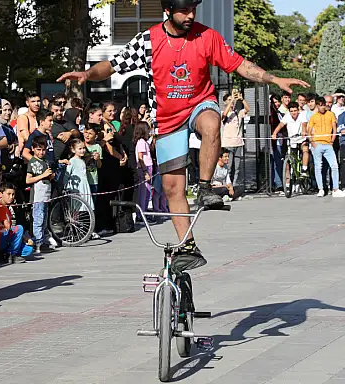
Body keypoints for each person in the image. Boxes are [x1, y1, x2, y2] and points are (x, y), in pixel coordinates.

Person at [58, 0, 308, 272]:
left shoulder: (206, 36)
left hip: (200, 104)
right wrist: (86, 73)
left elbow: (240, 66)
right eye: (184, 11)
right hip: (167, 118)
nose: (190, 16)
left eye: (193, 10)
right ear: (168, 10)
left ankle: (204, 187)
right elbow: (113, 65)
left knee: (212, 124)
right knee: (172, 188)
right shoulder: (149, 40)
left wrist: (273, 79)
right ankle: (187, 245)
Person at [308, 97, 345, 198]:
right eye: (320, 105)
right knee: (318, 167)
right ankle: (320, 189)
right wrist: (313, 143)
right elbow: (309, 131)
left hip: (328, 144)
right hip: (317, 144)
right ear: (317, 106)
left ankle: (335, 189)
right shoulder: (313, 117)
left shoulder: (331, 114)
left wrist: (332, 140)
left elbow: (334, 129)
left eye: (323, 105)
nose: (322, 107)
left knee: (334, 166)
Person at [0, 182, 35, 264]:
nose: (11, 197)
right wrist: (23, 237)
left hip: (5, 238)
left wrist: (23, 238)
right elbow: (8, 227)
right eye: (8, 194)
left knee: (29, 249)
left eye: (13, 195)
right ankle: (12, 255)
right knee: (19, 228)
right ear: (0, 194)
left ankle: (4, 254)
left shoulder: (6, 208)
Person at [26, 135, 54, 253]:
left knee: (44, 218)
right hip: (37, 195)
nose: (41, 152)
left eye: (43, 150)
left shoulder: (46, 161)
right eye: (39, 149)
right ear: (33, 149)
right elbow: (28, 180)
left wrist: (51, 176)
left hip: (46, 193)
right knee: (38, 218)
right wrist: (43, 175)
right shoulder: (32, 162)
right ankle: (38, 242)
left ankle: (42, 240)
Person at [272, 101, 309, 189]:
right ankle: (288, 182)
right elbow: (281, 124)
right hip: (292, 140)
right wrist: (274, 133)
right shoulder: (287, 116)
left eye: (295, 111)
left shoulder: (302, 115)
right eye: (291, 111)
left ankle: (304, 169)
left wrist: (304, 131)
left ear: (298, 110)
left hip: (301, 139)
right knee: (287, 160)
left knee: (305, 149)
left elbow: (304, 124)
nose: (293, 113)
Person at [221, 91, 249, 185]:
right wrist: (232, 99)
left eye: (232, 100)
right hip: (228, 143)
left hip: (238, 143)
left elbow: (247, 109)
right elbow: (223, 115)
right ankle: (227, 186)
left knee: (236, 168)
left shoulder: (238, 113)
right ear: (225, 102)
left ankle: (235, 186)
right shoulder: (223, 112)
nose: (231, 102)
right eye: (228, 100)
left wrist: (241, 99)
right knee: (228, 167)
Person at [64, 139, 96, 219]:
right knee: (76, 207)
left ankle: (86, 227)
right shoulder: (72, 161)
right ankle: (75, 226)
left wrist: (91, 156)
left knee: (86, 206)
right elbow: (67, 175)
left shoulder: (81, 160)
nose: (82, 150)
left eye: (84, 148)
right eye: (80, 149)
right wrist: (65, 187)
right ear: (73, 150)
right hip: (77, 187)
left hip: (84, 186)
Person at [134, 122, 154, 222]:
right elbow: (140, 157)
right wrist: (145, 171)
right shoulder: (141, 142)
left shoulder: (145, 142)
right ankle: (140, 214)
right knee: (143, 193)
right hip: (144, 168)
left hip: (149, 167)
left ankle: (144, 211)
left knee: (147, 192)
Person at [17, 92, 40, 157]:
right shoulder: (23, 118)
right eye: (33, 101)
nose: (36, 104)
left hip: (40, 153)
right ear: (27, 103)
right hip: (27, 156)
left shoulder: (40, 117)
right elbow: (27, 138)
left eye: (38, 101)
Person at [83, 126, 102, 197]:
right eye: (86, 132)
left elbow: (99, 166)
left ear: (95, 136)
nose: (87, 135)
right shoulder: (81, 146)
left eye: (90, 133)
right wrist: (89, 157)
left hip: (93, 180)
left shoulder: (97, 147)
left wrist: (98, 159)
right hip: (84, 180)